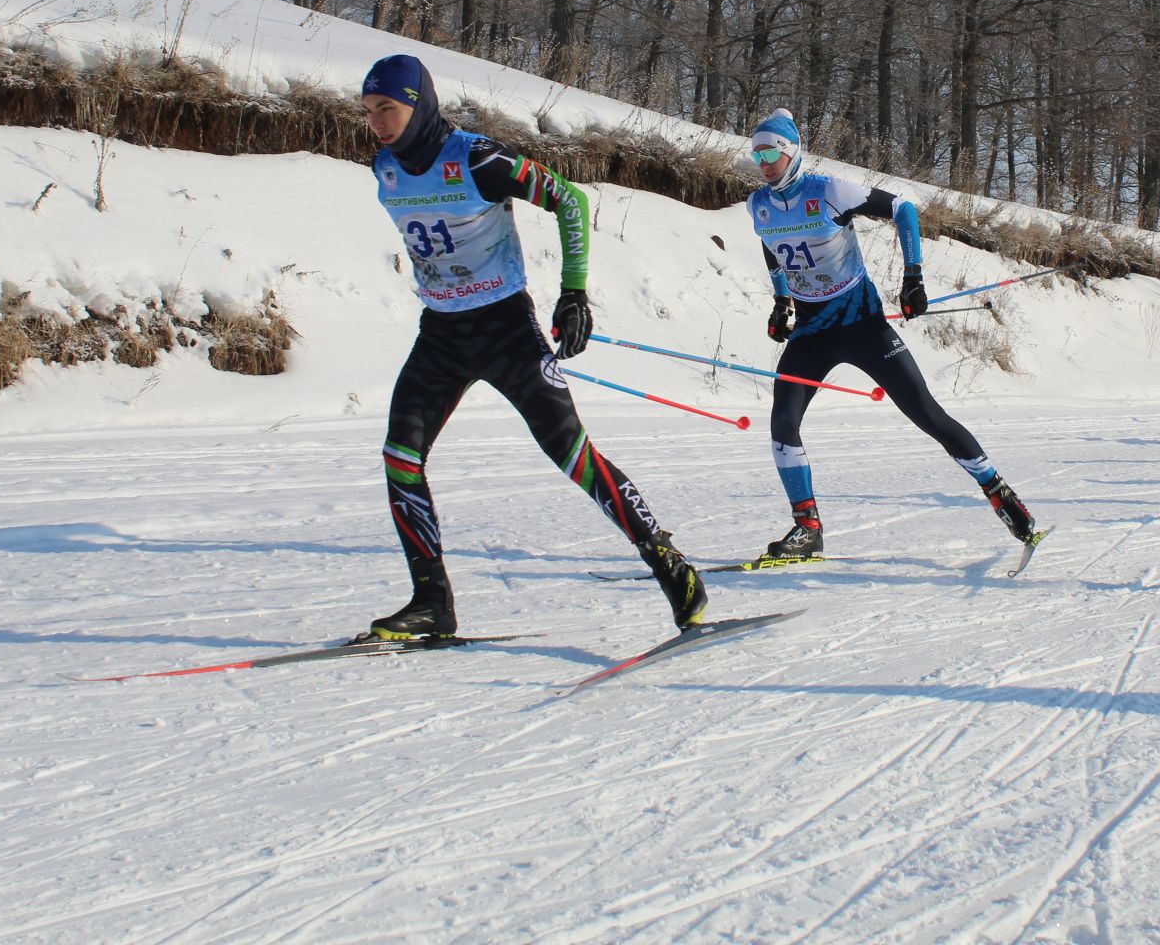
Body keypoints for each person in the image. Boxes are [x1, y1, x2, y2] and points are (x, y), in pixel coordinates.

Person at [357, 54, 706, 638]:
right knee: (400, 457)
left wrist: (574, 293)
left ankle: (670, 565)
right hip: (441, 333)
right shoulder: (384, 167)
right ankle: (431, 601)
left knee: (573, 456)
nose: (377, 123)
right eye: (368, 112)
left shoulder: (475, 157)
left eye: (387, 109)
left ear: (418, 104)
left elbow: (570, 200)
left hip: (505, 330)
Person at [744, 108, 1041, 561]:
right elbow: (772, 249)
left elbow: (903, 207)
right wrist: (782, 300)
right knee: (782, 423)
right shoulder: (758, 204)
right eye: (756, 153)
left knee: (925, 412)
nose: (763, 161)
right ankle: (807, 527)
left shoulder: (829, 190)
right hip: (811, 331)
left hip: (862, 324)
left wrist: (913, 277)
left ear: (792, 152)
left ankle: (998, 490)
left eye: (770, 152)